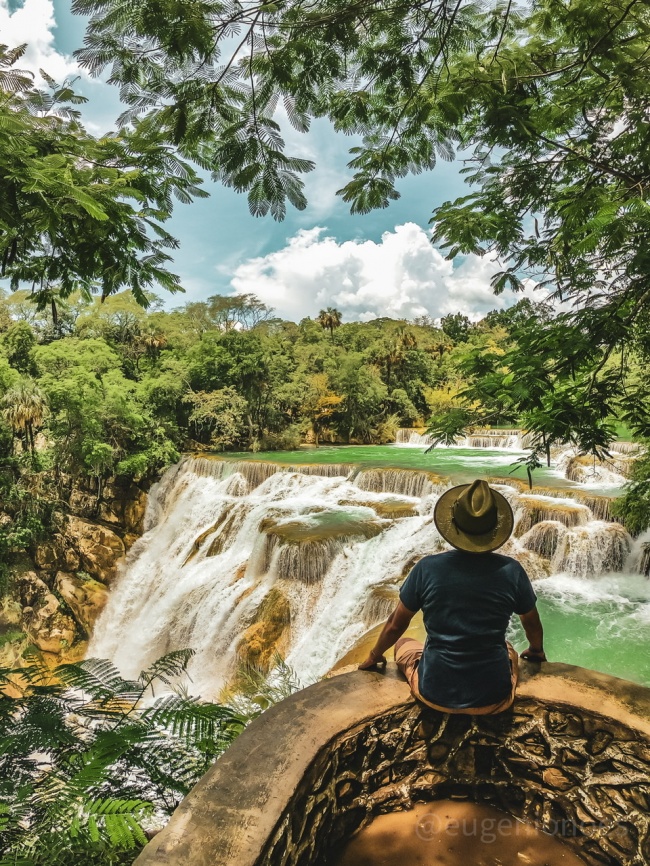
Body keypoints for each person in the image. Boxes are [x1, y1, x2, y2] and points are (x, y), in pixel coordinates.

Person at [359, 479, 546, 714]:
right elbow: (531, 622)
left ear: (454, 526)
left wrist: (374, 655)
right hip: (494, 699)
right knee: (508, 649)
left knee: (404, 643)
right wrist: (537, 650)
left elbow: (396, 625)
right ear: (494, 530)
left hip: (434, 693)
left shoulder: (426, 568)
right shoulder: (512, 570)